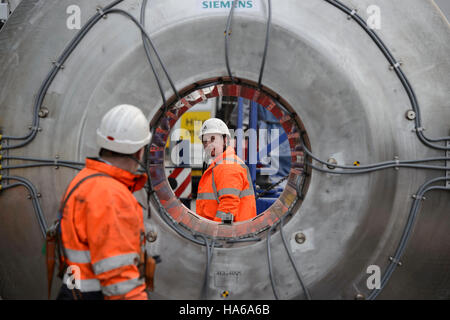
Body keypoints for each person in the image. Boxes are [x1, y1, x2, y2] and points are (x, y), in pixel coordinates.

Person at [54, 104, 151, 300]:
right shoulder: (112, 196)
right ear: (140, 152)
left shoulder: (83, 180)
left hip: (72, 291)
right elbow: (121, 283)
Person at [196, 118, 256, 223]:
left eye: (213, 139)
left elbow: (228, 206)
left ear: (225, 140)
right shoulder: (219, 164)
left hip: (230, 234)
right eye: (204, 141)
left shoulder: (228, 166)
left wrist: (215, 233)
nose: (208, 144)